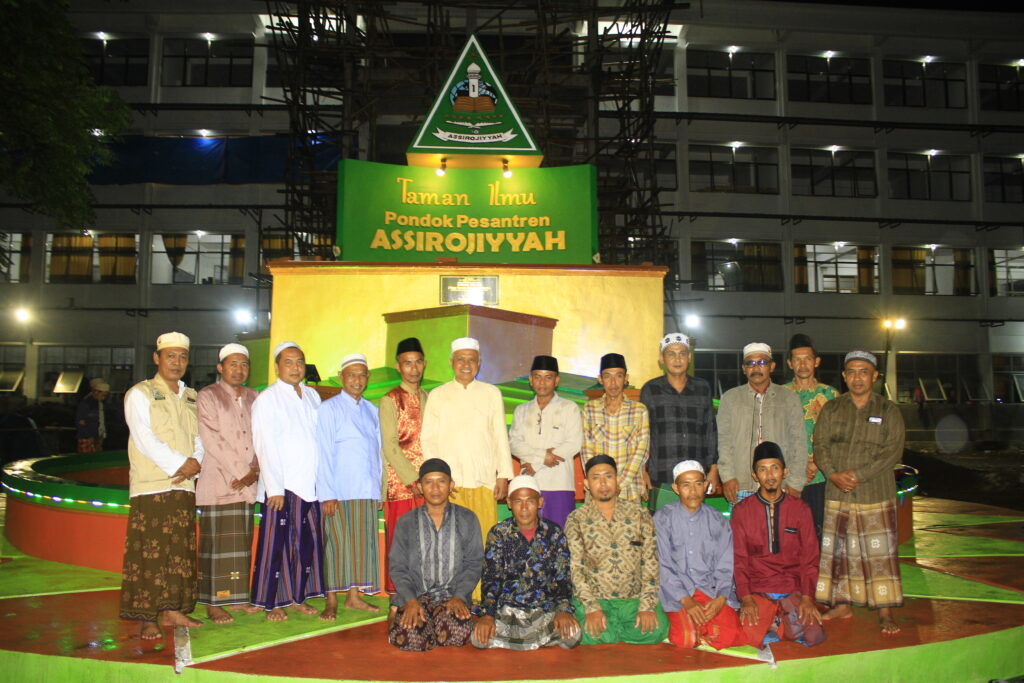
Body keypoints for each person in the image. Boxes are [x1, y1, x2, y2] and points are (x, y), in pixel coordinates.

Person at [120, 331, 204, 640]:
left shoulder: (192, 396)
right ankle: (147, 616)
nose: (177, 362)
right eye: (170, 356)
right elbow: (144, 438)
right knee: (150, 552)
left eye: (182, 357)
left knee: (180, 550)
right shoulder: (140, 393)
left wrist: (195, 462)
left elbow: (201, 437)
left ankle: (173, 610)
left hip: (184, 485)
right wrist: (180, 464)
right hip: (152, 484)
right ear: (157, 358)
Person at [814, 350, 906, 635]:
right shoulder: (832, 409)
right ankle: (842, 604)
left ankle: (885, 611)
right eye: (851, 372)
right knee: (840, 552)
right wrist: (832, 474)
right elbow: (820, 445)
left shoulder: (888, 410)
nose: (857, 378)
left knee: (880, 554)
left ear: (874, 376)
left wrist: (859, 475)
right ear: (844, 376)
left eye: (863, 372)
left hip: (874, 491)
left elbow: (893, 451)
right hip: (838, 492)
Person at [251, 341, 324, 621]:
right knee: (277, 546)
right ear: (277, 367)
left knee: (304, 544)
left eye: (300, 362)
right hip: (282, 487)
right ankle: (272, 602)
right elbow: (264, 445)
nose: (295, 368)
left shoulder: (312, 395)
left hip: (310, 484)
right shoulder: (267, 399)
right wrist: (274, 488)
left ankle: (297, 598)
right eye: (288, 362)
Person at [563, 455, 668, 645]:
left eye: (608, 476)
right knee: (585, 632)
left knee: (658, 628)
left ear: (617, 480)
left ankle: (613, 631)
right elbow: (575, 568)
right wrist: (592, 608)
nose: (603, 483)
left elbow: (651, 563)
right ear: (586, 484)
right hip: (596, 600)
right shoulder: (576, 519)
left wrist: (646, 607)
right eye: (596, 478)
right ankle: (615, 631)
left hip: (632, 601)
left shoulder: (639, 514)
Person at [730, 442, 826, 649]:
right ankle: (776, 620)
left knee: (814, 636)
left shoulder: (800, 509)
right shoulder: (741, 511)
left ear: (785, 472)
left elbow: (810, 557)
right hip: (759, 589)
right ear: (755, 475)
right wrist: (746, 597)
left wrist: (807, 597)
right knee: (748, 636)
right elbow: (739, 559)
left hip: (792, 588)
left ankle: (778, 621)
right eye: (762, 470)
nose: (769, 475)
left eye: (775, 468)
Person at [421, 337, 514, 549]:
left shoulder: (491, 393)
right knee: (452, 543)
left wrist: (503, 475)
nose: (466, 364)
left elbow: (500, 435)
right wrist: (440, 478)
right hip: (451, 485)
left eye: (471, 359)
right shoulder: (437, 395)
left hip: (484, 480)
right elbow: (428, 440)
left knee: (483, 540)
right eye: (460, 359)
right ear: (451, 362)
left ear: (479, 363)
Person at [472, 474, 580, 650]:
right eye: (518, 501)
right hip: (508, 613)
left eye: (530, 501)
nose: (524, 508)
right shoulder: (499, 533)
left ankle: (519, 642)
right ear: (509, 503)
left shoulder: (554, 533)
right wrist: (488, 615)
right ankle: (536, 641)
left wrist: (563, 610)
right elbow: (491, 579)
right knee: (478, 639)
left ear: (540, 502)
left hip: (544, 611)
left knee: (573, 634)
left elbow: (563, 578)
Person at [388, 459, 484, 652]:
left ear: (451, 485)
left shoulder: (467, 518)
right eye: (428, 482)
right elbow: (398, 567)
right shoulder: (406, 522)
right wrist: (410, 600)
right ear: (420, 487)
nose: (435, 488)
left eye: (441, 481)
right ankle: (399, 613)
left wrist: (459, 596)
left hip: (451, 596)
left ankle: (433, 624)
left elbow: (474, 563)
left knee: (458, 634)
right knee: (410, 639)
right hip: (416, 596)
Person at [195, 343, 260, 624]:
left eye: (244, 364)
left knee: (241, 543)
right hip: (220, 481)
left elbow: (262, 436)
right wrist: (244, 471)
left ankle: (238, 597)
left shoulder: (254, 396)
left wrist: (256, 468)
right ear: (220, 367)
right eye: (233, 364)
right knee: (216, 545)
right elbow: (212, 440)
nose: (239, 370)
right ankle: (213, 602)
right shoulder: (208, 395)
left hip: (247, 482)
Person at [316, 353, 384, 620]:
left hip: (366, 489)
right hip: (339, 490)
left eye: (362, 375)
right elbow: (323, 453)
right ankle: (331, 600)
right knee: (335, 545)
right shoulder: (329, 409)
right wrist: (327, 494)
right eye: (351, 375)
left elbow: (378, 453)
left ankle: (354, 597)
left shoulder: (372, 410)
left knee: (360, 545)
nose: (357, 380)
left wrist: (378, 489)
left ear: (368, 378)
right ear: (341, 378)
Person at [654, 460, 745, 650]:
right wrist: (687, 601)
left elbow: (725, 564)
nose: (693, 491)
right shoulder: (663, 518)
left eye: (698, 484)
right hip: (677, 594)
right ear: (676, 488)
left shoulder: (717, 519)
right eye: (686, 485)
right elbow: (662, 565)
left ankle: (702, 628)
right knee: (685, 639)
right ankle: (695, 628)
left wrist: (721, 598)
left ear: (706, 485)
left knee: (730, 635)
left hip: (709, 590)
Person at [717, 342, 806, 508]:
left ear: (772, 366)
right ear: (744, 369)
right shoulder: (730, 398)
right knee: (742, 526)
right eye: (750, 363)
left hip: (781, 486)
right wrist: (727, 477)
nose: (756, 367)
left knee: (780, 526)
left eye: (762, 362)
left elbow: (799, 442)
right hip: (741, 485)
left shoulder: (788, 398)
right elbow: (724, 441)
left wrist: (796, 482)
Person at [640, 333, 718, 510]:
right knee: (661, 524)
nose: (677, 359)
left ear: (689, 357)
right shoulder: (650, 389)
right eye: (671, 354)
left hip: (695, 477)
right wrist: (642, 470)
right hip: (661, 472)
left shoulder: (702, 388)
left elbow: (710, 430)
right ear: (662, 359)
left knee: (695, 523)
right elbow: (643, 433)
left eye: (682, 353)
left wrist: (713, 468)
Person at [508, 355, 583, 528]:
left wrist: (536, 464)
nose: (542, 382)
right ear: (530, 380)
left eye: (548, 377)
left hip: (559, 485)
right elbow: (514, 444)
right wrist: (543, 456)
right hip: (528, 487)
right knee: (529, 536)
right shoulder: (521, 410)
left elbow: (573, 444)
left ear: (556, 381)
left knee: (560, 535)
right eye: (537, 377)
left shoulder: (569, 408)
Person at [379, 337, 429, 594]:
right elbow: (389, 446)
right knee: (401, 542)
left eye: (418, 362)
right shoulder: (389, 399)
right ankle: (399, 595)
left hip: (428, 485)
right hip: (401, 484)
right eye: (407, 363)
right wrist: (412, 479)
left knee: (426, 541)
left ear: (424, 364)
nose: (413, 368)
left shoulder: (428, 397)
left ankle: (423, 592)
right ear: (398, 366)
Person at [783, 334, 839, 540]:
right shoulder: (779, 395)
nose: (802, 364)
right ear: (790, 363)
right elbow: (775, 434)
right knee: (791, 533)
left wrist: (816, 463)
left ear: (816, 361)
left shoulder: (830, 395)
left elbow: (837, 436)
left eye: (807, 359)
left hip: (821, 477)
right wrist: (796, 468)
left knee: (821, 532)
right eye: (797, 360)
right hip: (789, 478)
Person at [581, 353, 650, 503]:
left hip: (629, 490)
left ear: (626, 378)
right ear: (600, 379)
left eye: (618, 376)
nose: (613, 382)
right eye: (607, 376)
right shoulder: (589, 409)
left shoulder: (639, 410)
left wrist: (619, 483)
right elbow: (586, 450)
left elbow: (641, 451)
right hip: (597, 491)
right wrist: (602, 483)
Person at [76, 378, 110, 453]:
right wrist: (89, 435)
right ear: (96, 392)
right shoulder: (85, 404)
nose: (103, 398)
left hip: (97, 435)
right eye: (103, 395)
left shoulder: (100, 404)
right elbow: (81, 422)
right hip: (87, 437)